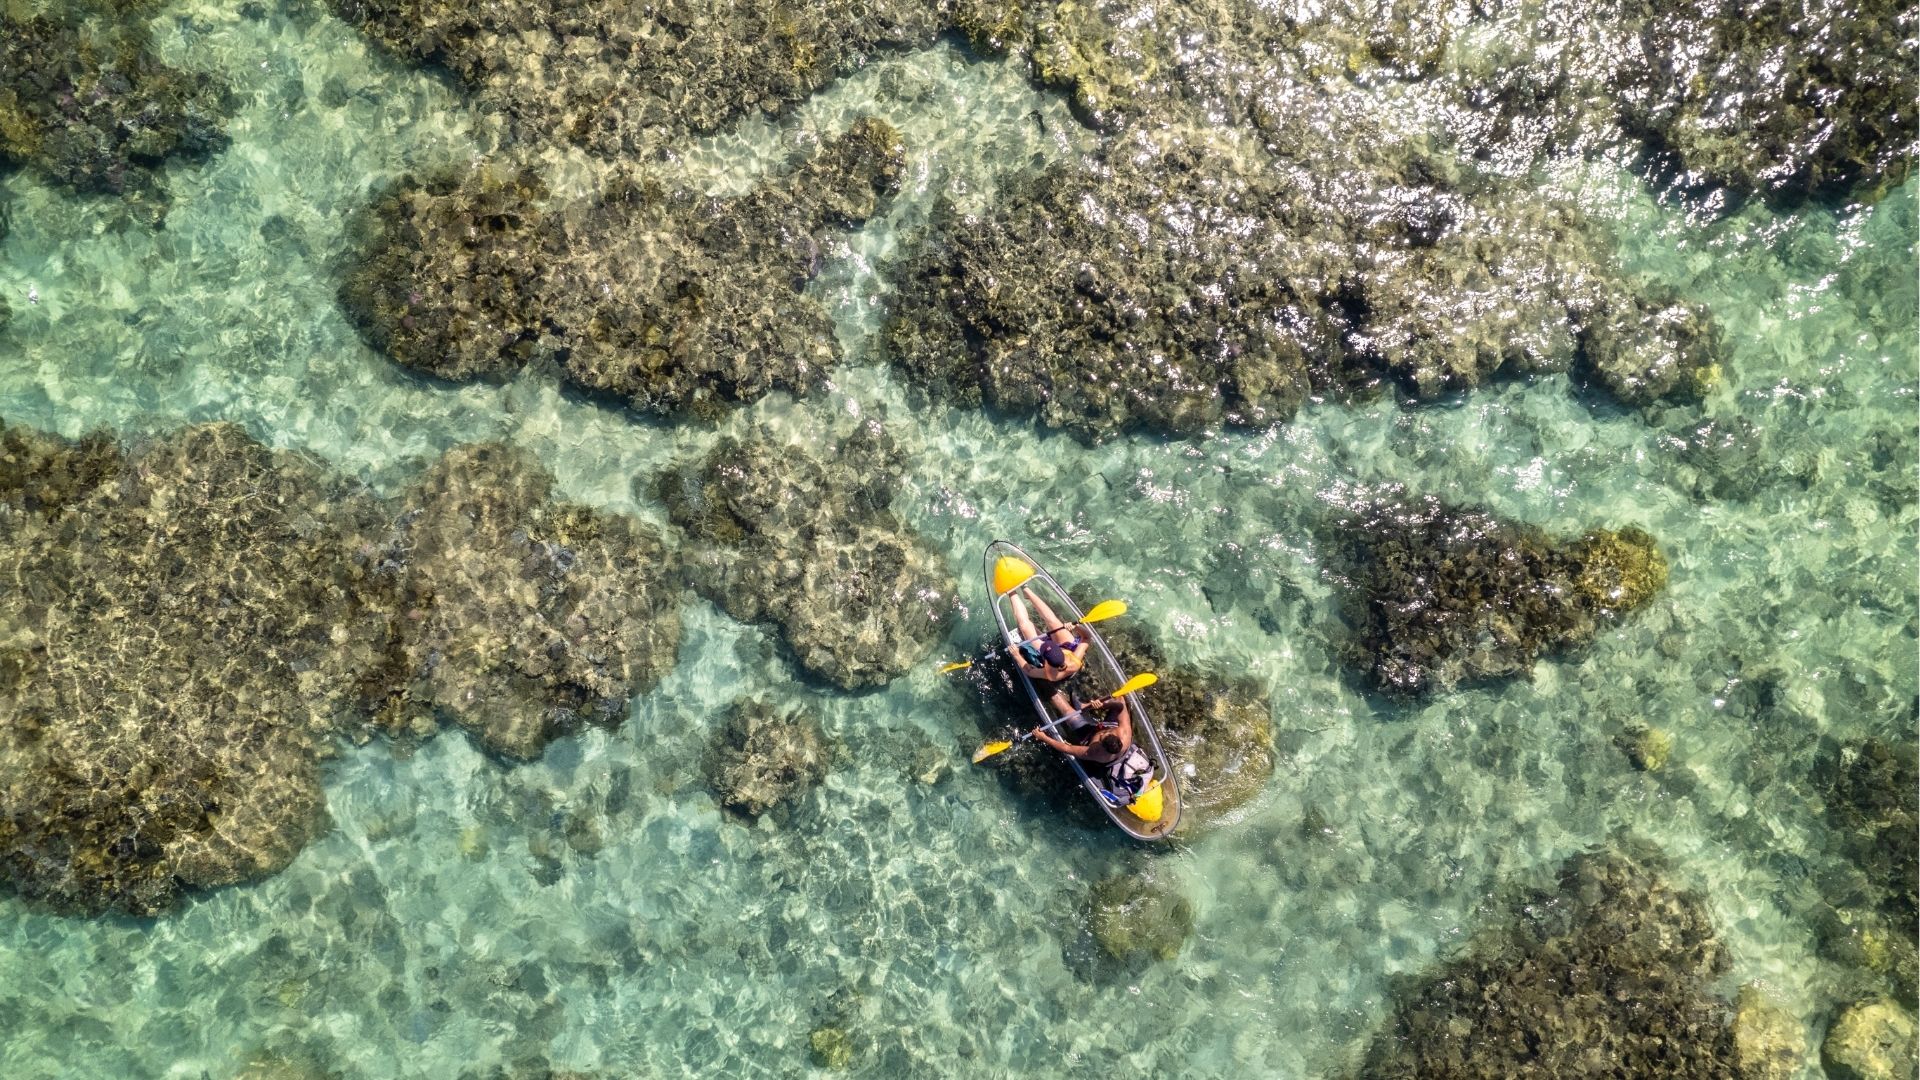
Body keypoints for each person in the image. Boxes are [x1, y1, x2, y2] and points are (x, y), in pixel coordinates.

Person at [1029, 692, 1152, 805]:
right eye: (1106, 734)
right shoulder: (1124, 732)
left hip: (1088, 735)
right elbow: (1121, 706)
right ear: (1116, 736)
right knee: (1121, 697)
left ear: (1102, 746)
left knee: (1066, 710)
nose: (1102, 733)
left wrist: (1043, 737)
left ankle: (1050, 690)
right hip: (1110, 724)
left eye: (1101, 737)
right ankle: (1084, 706)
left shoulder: (1095, 753)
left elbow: (1066, 748)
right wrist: (1101, 705)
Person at [1006, 587, 1088, 690]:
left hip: (1060, 659)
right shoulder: (1075, 660)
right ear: (1061, 652)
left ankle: (1011, 592)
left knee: (1025, 626)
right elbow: (1087, 637)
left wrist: (1017, 655)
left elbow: (1030, 671)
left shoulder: (1050, 674)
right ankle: (1027, 591)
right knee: (1053, 621)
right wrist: (1076, 627)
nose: (1046, 641)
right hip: (1069, 647)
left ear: (1047, 661)